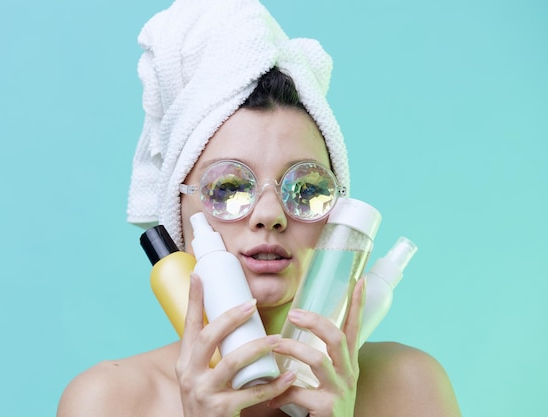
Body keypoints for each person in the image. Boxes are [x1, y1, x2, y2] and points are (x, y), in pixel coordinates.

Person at [57, 1, 462, 416]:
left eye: (305, 188)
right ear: (178, 211)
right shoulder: (109, 402)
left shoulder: (409, 387)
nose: (270, 214)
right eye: (229, 187)